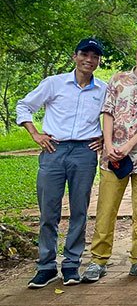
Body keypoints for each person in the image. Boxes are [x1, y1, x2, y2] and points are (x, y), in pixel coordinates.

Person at [17, 39, 107, 289]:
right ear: (74, 56)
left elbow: (114, 116)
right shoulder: (54, 83)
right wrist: (35, 134)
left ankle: (71, 265)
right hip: (53, 150)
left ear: (99, 61)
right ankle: (45, 266)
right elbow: (24, 105)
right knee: (49, 210)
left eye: (95, 56)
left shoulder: (103, 89)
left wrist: (104, 137)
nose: (89, 60)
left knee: (79, 210)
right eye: (85, 54)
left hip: (84, 152)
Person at [82, 37, 137, 282]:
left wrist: (130, 145)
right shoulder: (118, 79)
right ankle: (98, 260)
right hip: (113, 156)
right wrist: (109, 145)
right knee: (106, 209)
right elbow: (108, 111)